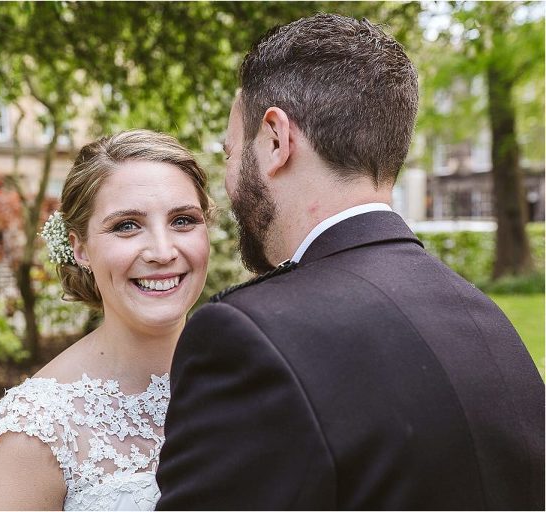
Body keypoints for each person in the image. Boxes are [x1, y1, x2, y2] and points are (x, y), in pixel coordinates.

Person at [155, 13, 544, 510]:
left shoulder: (248, 337)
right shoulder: (485, 320)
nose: (229, 180)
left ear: (275, 140)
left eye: (232, 152)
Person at [0, 130, 212, 510]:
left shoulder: (249, 374)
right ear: (79, 248)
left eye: (183, 220)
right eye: (126, 225)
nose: (163, 251)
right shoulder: (34, 428)